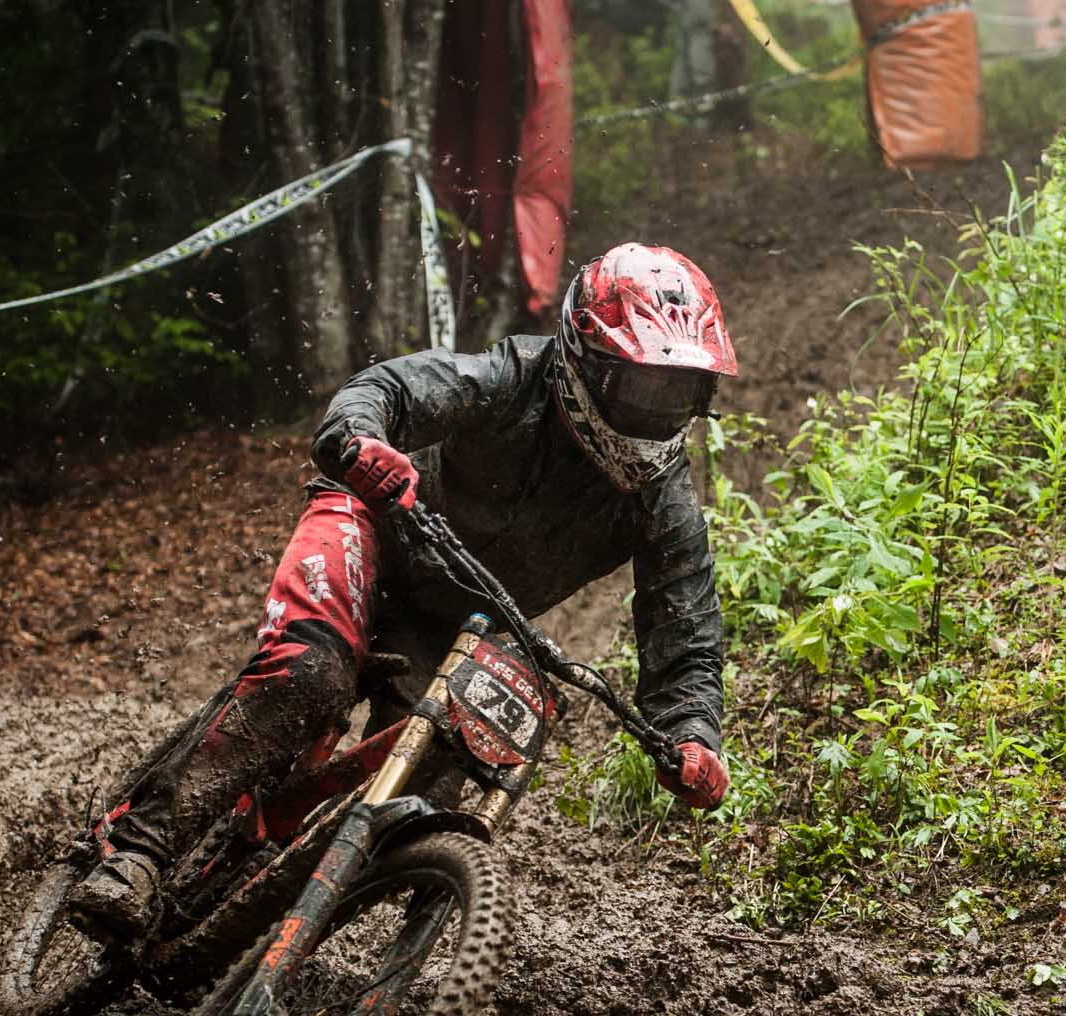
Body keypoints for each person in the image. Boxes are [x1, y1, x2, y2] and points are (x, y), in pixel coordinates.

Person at [66, 242, 735, 939]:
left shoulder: (664, 499)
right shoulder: (514, 376)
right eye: (644, 386)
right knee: (308, 673)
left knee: (430, 783)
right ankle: (137, 848)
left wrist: (693, 735)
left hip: (453, 618)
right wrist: (361, 439)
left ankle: (248, 931)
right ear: (586, 361)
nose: (660, 409)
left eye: (679, 390)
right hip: (376, 524)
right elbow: (391, 388)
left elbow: (685, 623)